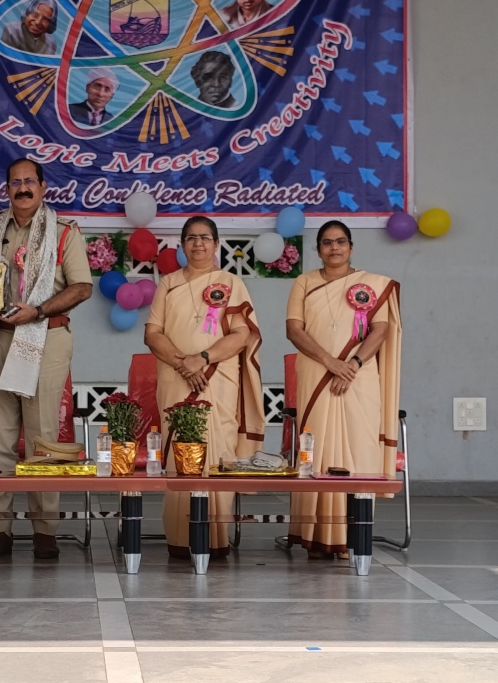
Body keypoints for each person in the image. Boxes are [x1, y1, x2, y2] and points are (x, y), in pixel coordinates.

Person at [0, 158, 93, 560]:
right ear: (6, 189)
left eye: (29, 182)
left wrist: (37, 311)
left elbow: (82, 287)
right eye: (15, 182)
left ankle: (45, 530)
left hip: (46, 335)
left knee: (42, 438)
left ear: (43, 187)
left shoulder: (64, 231)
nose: (22, 188)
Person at [145, 216, 263, 559]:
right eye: (191, 238)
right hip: (176, 378)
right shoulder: (168, 284)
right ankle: (179, 539)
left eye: (205, 237)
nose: (198, 243)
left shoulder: (231, 283)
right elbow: (152, 333)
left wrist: (204, 358)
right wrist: (184, 363)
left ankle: (216, 537)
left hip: (218, 380)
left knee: (218, 450)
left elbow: (242, 334)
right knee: (179, 453)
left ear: (216, 244)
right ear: (182, 245)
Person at [285, 220, 402, 559]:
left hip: (358, 377)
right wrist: (331, 362)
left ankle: (354, 534)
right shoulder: (304, 282)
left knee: (358, 446)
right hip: (317, 372)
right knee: (317, 447)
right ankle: (316, 534)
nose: (334, 248)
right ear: (318, 249)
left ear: (351, 247)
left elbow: (380, 329)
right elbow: (294, 330)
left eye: (340, 242)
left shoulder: (372, 284)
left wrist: (353, 364)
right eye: (326, 242)